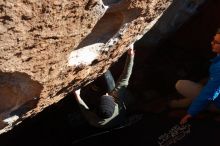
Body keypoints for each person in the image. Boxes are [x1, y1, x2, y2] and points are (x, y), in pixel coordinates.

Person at [74, 45, 135, 128]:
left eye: (104, 96)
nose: (107, 93)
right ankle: (101, 67)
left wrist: (77, 95)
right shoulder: (117, 101)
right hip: (120, 116)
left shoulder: (94, 121)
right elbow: (125, 77)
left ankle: (93, 88)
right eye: (108, 96)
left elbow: (84, 109)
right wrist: (130, 55)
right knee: (109, 81)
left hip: (110, 120)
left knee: (88, 96)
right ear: (114, 103)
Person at [179, 28, 220, 125]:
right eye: (213, 40)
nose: (211, 43)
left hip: (215, 99)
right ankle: (178, 103)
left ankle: (175, 104)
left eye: (216, 42)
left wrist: (191, 113)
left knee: (181, 85)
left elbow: (210, 92)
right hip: (215, 92)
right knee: (203, 84)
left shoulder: (218, 67)